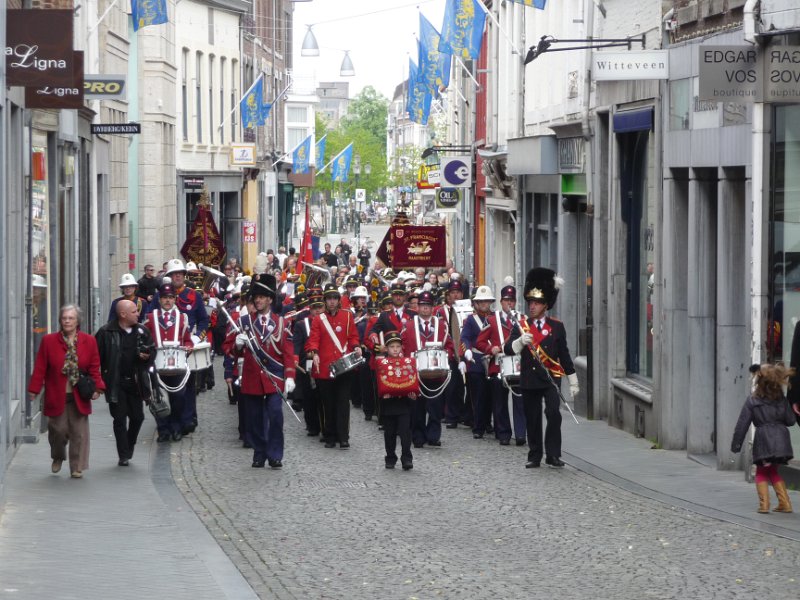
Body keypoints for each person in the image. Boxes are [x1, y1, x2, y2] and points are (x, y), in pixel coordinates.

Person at [504, 268, 578, 469]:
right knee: (533, 417)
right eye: (531, 303)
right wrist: (519, 341)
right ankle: (534, 454)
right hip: (529, 378)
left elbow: (564, 354)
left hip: (551, 377)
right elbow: (507, 349)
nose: (532, 306)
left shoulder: (556, 327)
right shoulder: (521, 326)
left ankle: (553, 454)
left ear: (546, 305)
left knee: (554, 413)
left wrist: (573, 380)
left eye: (537, 303)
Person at [224, 273, 296, 468]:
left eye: (262, 297)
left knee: (275, 415)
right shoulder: (244, 322)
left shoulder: (282, 323)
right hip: (252, 377)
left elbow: (288, 353)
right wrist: (238, 345)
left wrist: (290, 376)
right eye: (256, 297)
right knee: (255, 420)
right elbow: (229, 349)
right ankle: (259, 452)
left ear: (270, 299)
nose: (258, 300)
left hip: (274, 376)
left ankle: (274, 454)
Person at [28, 304, 105, 478]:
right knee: (58, 430)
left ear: (78, 321)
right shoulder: (49, 341)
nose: (67, 321)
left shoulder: (89, 341)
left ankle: (76, 467)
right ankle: (57, 456)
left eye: (71, 318)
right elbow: (40, 367)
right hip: (56, 394)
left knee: (78, 433)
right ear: (60, 321)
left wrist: (98, 388)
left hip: (79, 394)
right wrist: (34, 389)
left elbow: (94, 366)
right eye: (64, 318)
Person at [95, 299, 155, 466]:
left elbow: (152, 352)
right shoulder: (106, 332)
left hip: (136, 383)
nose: (138, 314)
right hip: (115, 383)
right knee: (119, 419)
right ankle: (123, 455)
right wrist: (96, 381)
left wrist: (147, 356)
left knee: (138, 418)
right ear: (123, 314)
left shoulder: (142, 331)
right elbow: (95, 358)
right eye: (134, 311)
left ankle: (129, 445)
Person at [731, 363, 795, 513]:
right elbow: (791, 421)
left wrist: (736, 445)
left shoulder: (753, 400)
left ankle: (764, 505)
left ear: (759, 380)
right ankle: (785, 503)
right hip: (781, 441)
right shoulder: (782, 400)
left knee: (761, 472)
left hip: (764, 440)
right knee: (772, 471)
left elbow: (742, 424)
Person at [305, 283, 362, 448]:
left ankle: (343, 437)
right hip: (325, 368)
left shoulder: (348, 316)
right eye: (329, 298)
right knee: (328, 404)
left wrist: (357, 346)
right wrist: (314, 353)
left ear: (339, 300)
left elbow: (352, 336)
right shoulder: (318, 319)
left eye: (334, 298)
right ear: (325, 300)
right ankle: (330, 436)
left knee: (343, 403)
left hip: (344, 366)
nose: (331, 302)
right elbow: (313, 339)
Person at [401, 290, 454, 448]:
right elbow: (402, 347)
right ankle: (418, 437)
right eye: (422, 305)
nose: (425, 308)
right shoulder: (408, 326)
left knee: (435, 407)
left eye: (428, 305)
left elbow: (450, 346)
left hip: (436, 374)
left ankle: (433, 436)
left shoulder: (442, 325)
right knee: (416, 408)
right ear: (417, 307)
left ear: (432, 308)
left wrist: (446, 356)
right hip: (416, 373)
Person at [143, 283, 195, 442]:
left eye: (170, 297)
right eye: (165, 298)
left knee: (179, 397)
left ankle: (176, 427)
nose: (167, 301)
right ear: (160, 300)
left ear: (175, 299)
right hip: (157, 365)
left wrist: (188, 347)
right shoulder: (151, 318)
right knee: (158, 398)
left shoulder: (182, 318)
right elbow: (144, 339)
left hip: (177, 366)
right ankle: (163, 429)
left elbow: (187, 340)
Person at [475, 278, 519, 446]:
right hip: (497, 366)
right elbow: (479, 342)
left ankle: (521, 434)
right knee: (499, 403)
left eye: (512, 301)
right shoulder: (492, 320)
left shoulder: (521, 319)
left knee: (520, 401)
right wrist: (490, 349)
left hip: (517, 365)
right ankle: (504, 433)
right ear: (501, 302)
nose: (509, 303)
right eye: (506, 300)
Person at [376, 331, 415, 470]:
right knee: (390, 434)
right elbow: (379, 383)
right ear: (386, 348)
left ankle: (407, 458)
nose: (395, 349)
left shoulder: (408, 362)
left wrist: (413, 394)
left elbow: (412, 379)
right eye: (392, 347)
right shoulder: (381, 363)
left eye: (398, 346)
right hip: (388, 404)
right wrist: (382, 395)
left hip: (404, 404)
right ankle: (390, 457)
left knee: (405, 433)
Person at [461, 285, 495, 439]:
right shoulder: (470, 319)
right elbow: (465, 337)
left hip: (492, 360)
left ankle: (488, 423)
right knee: (478, 396)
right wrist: (466, 350)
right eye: (480, 301)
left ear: (490, 302)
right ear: (475, 303)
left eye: (486, 301)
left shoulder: (495, 318)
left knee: (491, 395)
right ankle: (478, 426)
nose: (483, 304)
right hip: (476, 360)